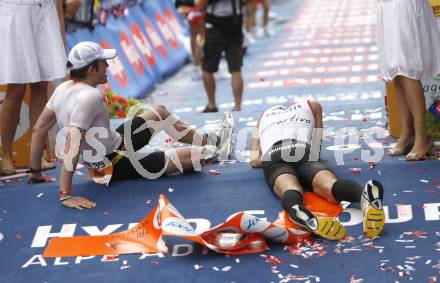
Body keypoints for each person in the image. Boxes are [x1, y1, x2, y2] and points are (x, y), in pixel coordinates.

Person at [27, 41, 230, 210]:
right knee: (194, 156)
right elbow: (73, 144)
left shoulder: (62, 88)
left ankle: (210, 141)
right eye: (103, 62)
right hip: (112, 163)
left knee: (159, 112)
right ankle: (208, 149)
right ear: (91, 69)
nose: (108, 66)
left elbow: (38, 129)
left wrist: (35, 171)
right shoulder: (90, 97)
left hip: (117, 143)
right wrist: (66, 194)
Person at [250, 100, 385, 239]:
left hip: (274, 153)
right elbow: (316, 146)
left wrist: (267, 158)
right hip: (301, 148)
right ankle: (362, 196)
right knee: (329, 186)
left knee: (290, 188)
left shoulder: (264, 115)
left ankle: (297, 209)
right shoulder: (312, 105)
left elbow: (254, 160)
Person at [0, 0, 67, 176]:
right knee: (16, 87)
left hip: (44, 12)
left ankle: (35, 156)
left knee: (41, 85)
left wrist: (61, 27)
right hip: (15, 10)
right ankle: (6, 155)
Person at [377, 0, 440, 161]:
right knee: (396, 70)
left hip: (404, 5)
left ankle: (423, 136)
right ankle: (408, 133)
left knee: (406, 67)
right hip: (387, 4)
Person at [197, 0, 244, 112]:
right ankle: (237, 106)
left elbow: (199, 6)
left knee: (207, 68)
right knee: (236, 68)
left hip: (214, 26)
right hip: (235, 23)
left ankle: (212, 104)